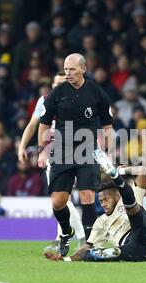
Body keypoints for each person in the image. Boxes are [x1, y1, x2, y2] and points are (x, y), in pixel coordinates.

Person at [38, 53, 113, 256]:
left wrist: (108, 151)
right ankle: (66, 232)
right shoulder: (57, 93)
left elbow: (107, 126)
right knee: (58, 201)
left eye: (71, 69)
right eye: (65, 69)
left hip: (87, 150)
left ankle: (89, 244)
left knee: (87, 195)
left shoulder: (97, 93)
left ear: (83, 69)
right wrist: (42, 150)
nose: (68, 73)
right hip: (62, 151)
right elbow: (43, 123)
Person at [44, 150, 146, 262]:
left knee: (134, 208)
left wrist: (121, 170)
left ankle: (115, 175)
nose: (103, 204)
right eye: (101, 201)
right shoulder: (101, 222)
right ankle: (115, 175)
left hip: (144, 236)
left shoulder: (123, 200)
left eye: (106, 199)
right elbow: (87, 247)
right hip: (131, 250)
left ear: (117, 196)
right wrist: (66, 259)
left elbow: (141, 170)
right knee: (92, 255)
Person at [17, 72, 86, 250]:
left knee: (63, 198)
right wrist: (22, 146)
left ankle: (73, 237)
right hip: (52, 155)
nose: (59, 86)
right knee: (62, 198)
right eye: (56, 83)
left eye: (63, 83)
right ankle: (76, 238)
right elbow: (33, 124)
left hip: (75, 153)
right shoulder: (45, 101)